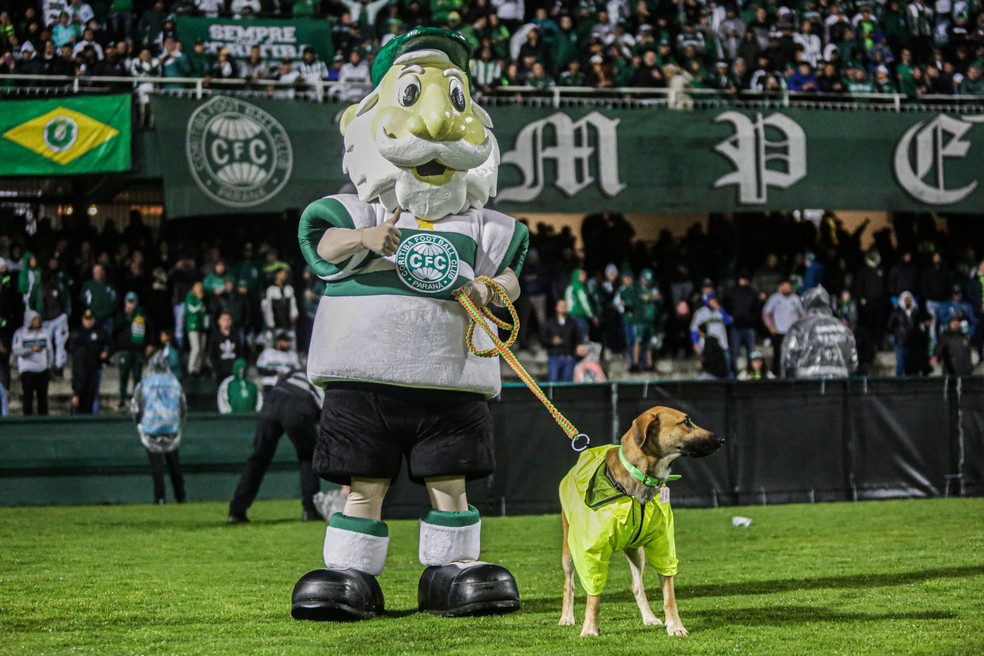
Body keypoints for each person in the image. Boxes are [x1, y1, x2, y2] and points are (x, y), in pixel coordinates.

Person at [293, 27, 527, 620]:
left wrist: (492, 289)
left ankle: (449, 572)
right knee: (361, 482)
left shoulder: (485, 225)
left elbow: (512, 274)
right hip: (365, 372)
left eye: (455, 96)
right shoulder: (359, 206)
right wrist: (367, 238)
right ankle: (350, 573)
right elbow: (322, 240)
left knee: (450, 480)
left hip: (449, 371)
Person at [227, 367, 325, 524]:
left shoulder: (299, 371)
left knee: (259, 457)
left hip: (272, 400)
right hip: (299, 403)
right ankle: (310, 510)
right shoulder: (329, 380)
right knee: (309, 457)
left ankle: (236, 512)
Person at [131, 351, 187, 505]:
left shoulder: (144, 384)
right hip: (171, 428)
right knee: (175, 465)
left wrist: (140, 425)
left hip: (151, 429)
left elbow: (136, 407)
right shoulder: (174, 382)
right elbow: (183, 406)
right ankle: (181, 496)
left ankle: (160, 497)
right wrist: (179, 423)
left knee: (157, 467)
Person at [781, 286, 858, 379]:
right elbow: (853, 363)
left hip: (807, 386)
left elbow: (788, 361)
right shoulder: (843, 329)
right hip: (837, 386)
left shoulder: (799, 328)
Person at [12, 309, 54, 415]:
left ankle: (44, 422)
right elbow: (16, 350)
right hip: (28, 370)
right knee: (28, 397)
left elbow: (50, 351)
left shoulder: (45, 333)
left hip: (43, 370)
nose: (37, 322)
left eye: (38, 319)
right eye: (35, 319)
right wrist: (30, 350)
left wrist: (48, 365)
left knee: (43, 398)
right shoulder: (20, 333)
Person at [114, 291, 151, 409]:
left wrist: (150, 344)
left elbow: (150, 330)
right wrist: (126, 316)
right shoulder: (121, 316)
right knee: (123, 375)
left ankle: (136, 400)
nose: (131, 305)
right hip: (125, 350)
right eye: (129, 302)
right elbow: (115, 329)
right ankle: (122, 399)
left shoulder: (142, 316)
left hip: (138, 350)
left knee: (137, 377)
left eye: (133, 302)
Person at [68, 309, 109, 414]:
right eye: (86, 319)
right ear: (82, 320)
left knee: (92, 398)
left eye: (90, 319)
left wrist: (105, 353)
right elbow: (69, 347)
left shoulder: (100, 332)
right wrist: (76, 393)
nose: (88, 321)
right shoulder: (77, 333)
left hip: (94, 368)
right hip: (81, 369)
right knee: (78, 400)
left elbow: (110, 343)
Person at [762, 280, 805, 377]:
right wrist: (770, 327)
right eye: (783, 286)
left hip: (793, 333)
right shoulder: (774, 298)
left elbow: (803, 314)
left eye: (787, 286)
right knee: (778, 355)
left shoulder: (796, 299)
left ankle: (793, 376)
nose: (785, 288)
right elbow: (766, 313)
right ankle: (777, 376)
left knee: (794, 355)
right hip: (779, 332)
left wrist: (800, 327)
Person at [690, 292, 733, 376]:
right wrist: (695, 343)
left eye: (714, 299)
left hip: (722, 345)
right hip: (708, 347)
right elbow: (693, 329)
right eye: (711, 299)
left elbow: (728, 321)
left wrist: (720, 309)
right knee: (708, 370)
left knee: (726, 369)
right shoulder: (700, 313)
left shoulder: (720, 311)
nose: (713, 301)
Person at [541, 299, 582, 383]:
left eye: (565, 306)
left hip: (569, 357)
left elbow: (577, 338)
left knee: (567, 383)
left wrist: (578, 347)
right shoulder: (550, 323)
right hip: (554, 356)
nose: (563, 308)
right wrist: (552, 341)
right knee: (553, 381)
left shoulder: (573, 323)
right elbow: (542, 338)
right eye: (561, 306)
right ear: (556, 308)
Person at [208, 310, 244, 383]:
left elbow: (240, 353)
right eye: (224, 320)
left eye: (228, 320)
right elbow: (212, 355)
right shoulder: (215, 337)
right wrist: (217, 369)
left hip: (234, 372)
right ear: (219, 321)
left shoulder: (236, 336)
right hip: (221, 374)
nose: (226, 322)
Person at [887, 291, 918, 376]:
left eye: (909, 300)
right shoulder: (897, 312)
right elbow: (890, 327)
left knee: (912, 367)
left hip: (912, 343)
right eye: (906, 300)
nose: (908, 302)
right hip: (901, 342)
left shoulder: (915, 312)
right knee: (900, 366)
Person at [934, 310, 974, 375]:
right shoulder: (945, 336)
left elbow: (968, 353)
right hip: (951, 371)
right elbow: (938, 350)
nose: (955, 323)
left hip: (965, 371)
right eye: (953, 321)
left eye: (958, 321)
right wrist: (936, 356)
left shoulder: (965, 337)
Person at [184, 281, 207, 377]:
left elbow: (204, 312)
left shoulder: (201, 298)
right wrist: (199, 301)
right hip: (193, 326)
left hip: (201, 326)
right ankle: (191, 369)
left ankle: (197, 370)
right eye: (197, 286)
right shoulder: (190, 297)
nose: (199, 289)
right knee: (196, 348)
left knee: (201, 349)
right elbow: (192, 309)